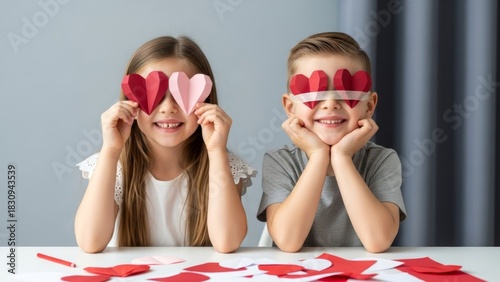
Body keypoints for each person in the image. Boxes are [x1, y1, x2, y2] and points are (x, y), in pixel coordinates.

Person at [75, 36, 255, 253]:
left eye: (182, 95)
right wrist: (111, 151)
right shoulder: (113, 166)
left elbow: (227, 242)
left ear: (205, 101)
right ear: (130, 101)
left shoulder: (223, 166)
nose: (168, 108)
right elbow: (89, 242)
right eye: (155, 95)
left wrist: (216, 151)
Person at [257, 32, 406, 253]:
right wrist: (318, 156)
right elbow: (288, 242)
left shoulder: (382, 160)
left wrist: (342, 158)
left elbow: (378, 241)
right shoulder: (280, 162)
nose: (330, 103)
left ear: (369, 105)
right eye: (313, 93)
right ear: (290, 107)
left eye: (347, 91)